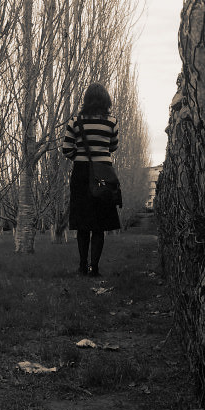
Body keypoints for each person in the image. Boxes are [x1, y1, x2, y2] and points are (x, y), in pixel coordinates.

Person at [62, 82, 120, 277]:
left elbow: (66, 149)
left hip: (81, 174)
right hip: (103, 174)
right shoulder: (112, 122)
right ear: (106, 100)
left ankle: (82, 267)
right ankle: (94, 268)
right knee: (99, 224)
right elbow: (113, 146)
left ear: (86, 100)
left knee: (83, 223)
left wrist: (81, 157)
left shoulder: (75, 121)